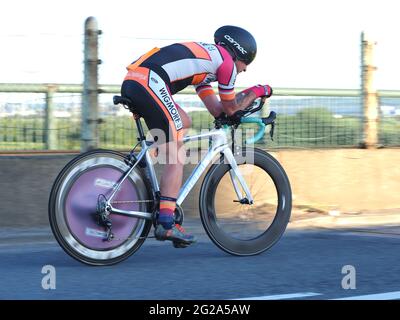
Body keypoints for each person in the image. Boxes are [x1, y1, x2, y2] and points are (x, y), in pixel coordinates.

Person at [121, 25, 273, 248]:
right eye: (246, 63)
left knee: (184, 121)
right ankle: (165, 221)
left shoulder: (207, 68)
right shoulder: (226, 63)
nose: (245, 70)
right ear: (239, 53)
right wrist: (259, 91)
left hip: (136, 80)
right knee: (177, 155)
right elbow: (231, 108)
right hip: (149, 81)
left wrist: (232, 111)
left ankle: (152, 155)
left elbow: (218, 110)